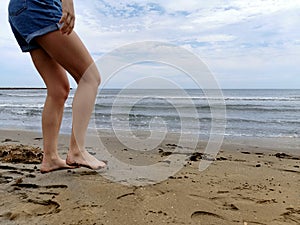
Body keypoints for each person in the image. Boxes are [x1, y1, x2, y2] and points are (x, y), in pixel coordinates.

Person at [8, 0, 107, 173]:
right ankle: (77, 151)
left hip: (20, 11)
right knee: (90, 77)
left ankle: (50, 158)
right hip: (39, 5)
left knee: (58, 89)